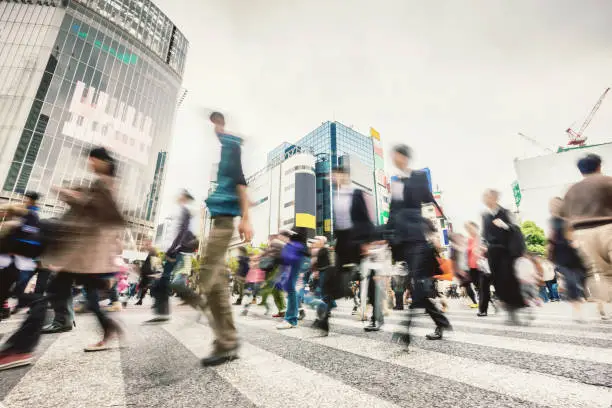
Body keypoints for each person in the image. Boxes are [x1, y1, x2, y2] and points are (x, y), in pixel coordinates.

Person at [0, 146, 125, 370]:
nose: (90, 163)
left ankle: (20, 348)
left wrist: (70, 195)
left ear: (101, 161)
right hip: (84, 256)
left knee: (48, 293)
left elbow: (101, 212)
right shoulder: (102, 183)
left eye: (93, 160)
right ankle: (107, 327)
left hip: (82, 253)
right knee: (86, 297)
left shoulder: (105, 183)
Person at [174, 111, 253, 366]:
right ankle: (226, 341)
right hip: (218, 223)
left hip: (224, 225)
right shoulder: (224, 154)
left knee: (208, 277)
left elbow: (241, 183)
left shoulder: (231, 150)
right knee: (217, 286)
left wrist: (246, 218)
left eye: (218, 124)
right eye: (214, 125)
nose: (215, 129)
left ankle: (195, 297)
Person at [386, 145, 452, 344]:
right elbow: (392, 212)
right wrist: (387, 237)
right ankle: (440, 321)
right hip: (402, 242)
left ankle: (406, 328)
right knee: (415, 288)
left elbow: (428, 200)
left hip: (417, 237)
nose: (394, 159)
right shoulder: (396, 183)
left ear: (405, 157)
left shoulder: (418, 177)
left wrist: (434, 233)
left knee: (418, 285)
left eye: (397, 156)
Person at [315, 163, 375, 335]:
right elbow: (339, 225)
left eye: (336, 175)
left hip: (358, 243)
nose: (333, 179)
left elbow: (365, 220)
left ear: (344, 175)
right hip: (342, 244)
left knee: (367, 280)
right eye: (332, 176)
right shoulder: (336, 196)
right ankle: (324, 319)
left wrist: (367, 243)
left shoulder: (357, 194)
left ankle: (375, 314)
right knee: (331, 281)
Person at [562, 154, 612, 320]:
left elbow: (566, 219)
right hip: (608, 228)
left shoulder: (571, 190)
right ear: (599, 166)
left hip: (582, 235)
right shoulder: (607, 181)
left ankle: (603, 305)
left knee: (600, 273)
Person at [148, 189, 195, 322]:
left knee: (164, 280)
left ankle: (194, 300)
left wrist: (173, 249)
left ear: (184, 197)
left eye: (180, 194)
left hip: (175, 251)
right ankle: (162, 312)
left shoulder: (184, 211)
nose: (177, 196)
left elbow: (182, 232)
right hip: (172, 250)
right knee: (163, 280)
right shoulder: (179, 210)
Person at [482, 189, 525, 325]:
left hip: (507, 252)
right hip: (493, 254)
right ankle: (508, 310)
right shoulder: (485, 216)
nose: (486, 200)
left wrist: (505, 226)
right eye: (485, 197)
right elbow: (484, 234)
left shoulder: (506, 212)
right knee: (498, 282)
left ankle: (514, 311)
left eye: (488, 196)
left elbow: (516, 229)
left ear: (495, 197)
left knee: (509, 280)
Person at [0, 191, 42, 318]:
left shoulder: (30, 216)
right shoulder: (19, 218)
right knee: (8, 287)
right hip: (12, 258)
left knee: (15, 287)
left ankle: (36, 302)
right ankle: (6, 307)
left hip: (16, 258)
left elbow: (29, 235)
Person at [548, 197, 587, 321]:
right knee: (571, 280)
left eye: (557, 204)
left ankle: (580, 298)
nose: (555, 207)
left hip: (574, 254)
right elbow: (551, 239)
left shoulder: (568, 218)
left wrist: (576, 241)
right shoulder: (553, 221)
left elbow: (576, 232)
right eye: (552, 205)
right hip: (561, 256)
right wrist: (549, 252)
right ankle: (577, 310)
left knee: (582, 277)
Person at [135, 240, 160, 305]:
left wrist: (154, 271)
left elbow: (155, 261)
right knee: (144, 286)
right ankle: (140, 300)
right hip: (145, 272)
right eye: (145, 243)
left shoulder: (153, 250)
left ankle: (157, 301)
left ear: (150, 243)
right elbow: (141, 259)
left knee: (149, 286)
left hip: (149, 271)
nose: (145, 245)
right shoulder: (145, 250)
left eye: (147, 243)